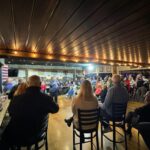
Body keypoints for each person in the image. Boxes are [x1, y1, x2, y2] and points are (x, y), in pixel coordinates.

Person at [0, 75, 59, 149]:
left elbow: (11, 112)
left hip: (17, 136)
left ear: (28, 84)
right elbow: (56, 109)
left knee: (3, 134)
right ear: (40, 84)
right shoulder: (46, 98)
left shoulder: (16, 98)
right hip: (37, 134)